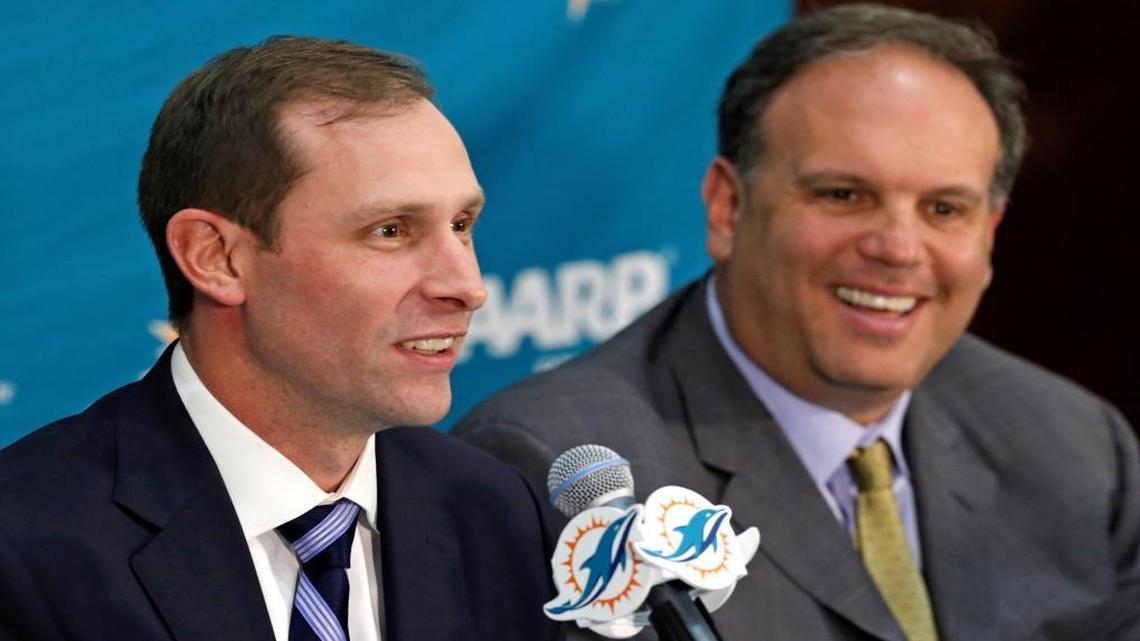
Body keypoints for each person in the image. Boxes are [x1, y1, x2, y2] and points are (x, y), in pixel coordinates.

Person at [454, 4, 1140, 640]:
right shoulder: (547, 470)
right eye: (845, 194)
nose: (899, 249)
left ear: (990, 231)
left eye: (944, 209)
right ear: (727, 206)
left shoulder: (1078, 447)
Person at [0, 36, 560, 641]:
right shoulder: (26, 545)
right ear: (217, 258)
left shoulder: (492, 510)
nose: (467, 286)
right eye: (391, 230)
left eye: (461, 224)